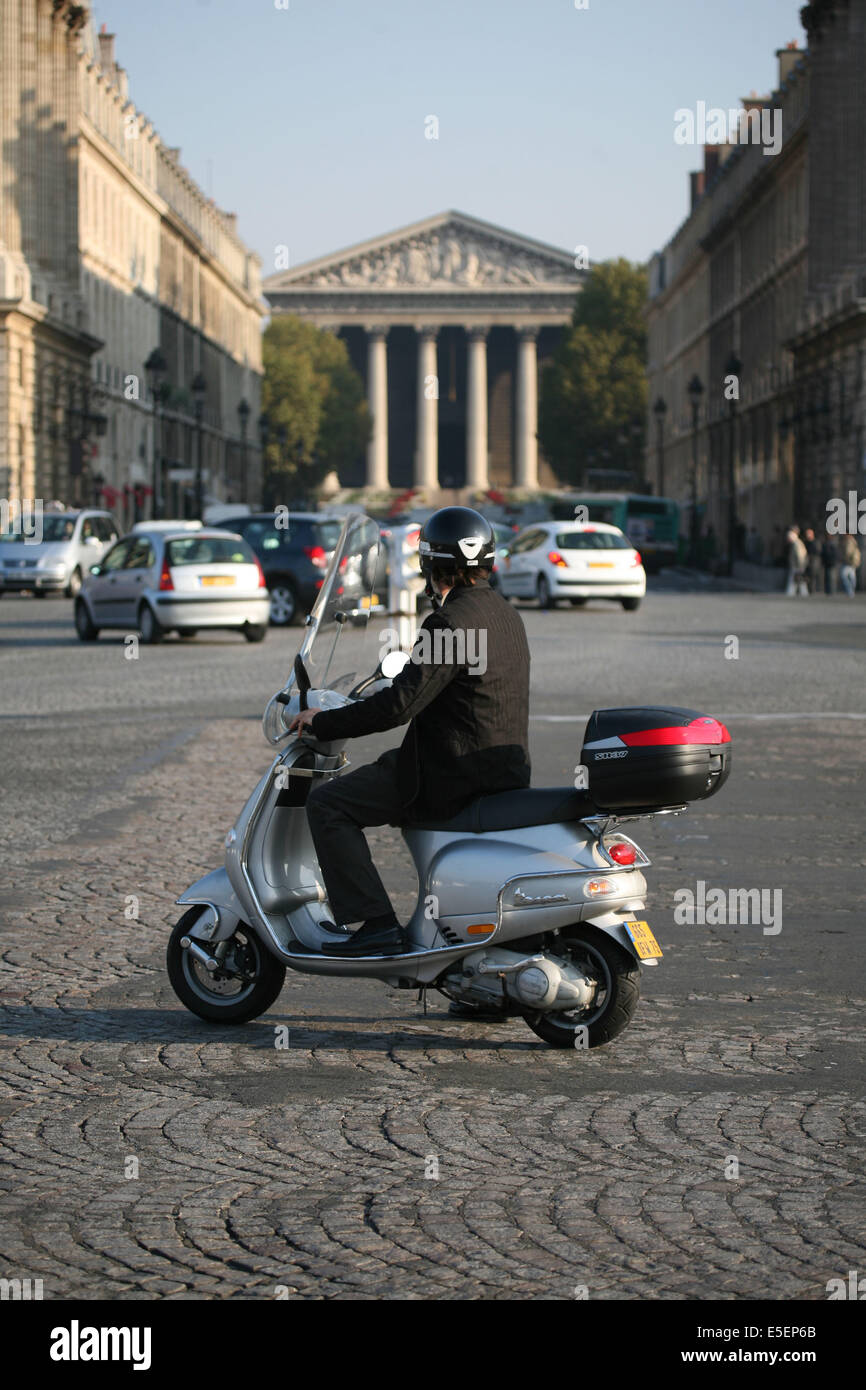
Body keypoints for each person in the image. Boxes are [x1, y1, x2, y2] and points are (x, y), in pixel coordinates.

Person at [289, 507, 532, 958]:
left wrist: (322, 721)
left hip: (447, 775)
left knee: (328, 803)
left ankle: (377, 923)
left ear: (430, 566)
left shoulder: (449, 623)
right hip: (500, 768)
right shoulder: (505, 615)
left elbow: (399, 706)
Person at [785, 525, 808, 597]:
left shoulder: (796, 544)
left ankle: (791, 593)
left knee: (795, 580)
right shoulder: (796, 543)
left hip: (797, 566)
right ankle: (803, 593)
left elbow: (800, 556)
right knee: (799, 581)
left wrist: (800, 566)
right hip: (797, 566)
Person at [839, 532, 861, 597]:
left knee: (844, 576)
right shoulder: (854, 541)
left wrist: (844, 558)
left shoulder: (849, 542)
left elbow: (847, 552)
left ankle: (850, 591)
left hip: (848, 562)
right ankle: (851, 591)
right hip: (853, 562)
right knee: (852, 577)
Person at [803, 527, 822, 593]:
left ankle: (812, 591)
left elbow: (818, 551)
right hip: (807, 562)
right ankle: (808, 591)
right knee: (807, 577)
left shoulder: (816, 542)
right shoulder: (805, 542)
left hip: (814, 562)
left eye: (809, 533)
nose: (808, 535)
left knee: (813, 577)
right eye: (807, 534)